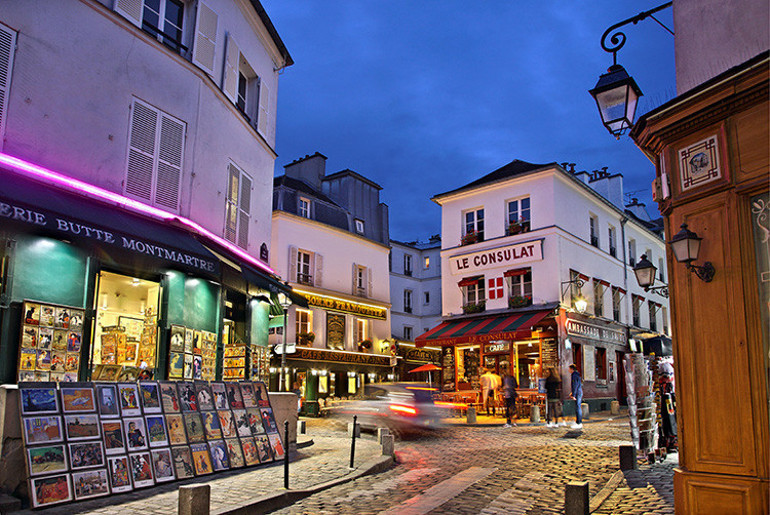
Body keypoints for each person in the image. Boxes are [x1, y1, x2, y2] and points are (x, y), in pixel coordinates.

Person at [568, 364, 583, 429]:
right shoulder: (577, 375)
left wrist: (574, 395)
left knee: (577, 407)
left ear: (572, 369)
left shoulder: (574, 375)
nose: (568, 370)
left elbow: (575, 385)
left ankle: (579, 423)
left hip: (577, 393)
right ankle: (579, 422)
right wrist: (572, 393)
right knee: (578, 407)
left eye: (569, 369)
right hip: (579, 392)